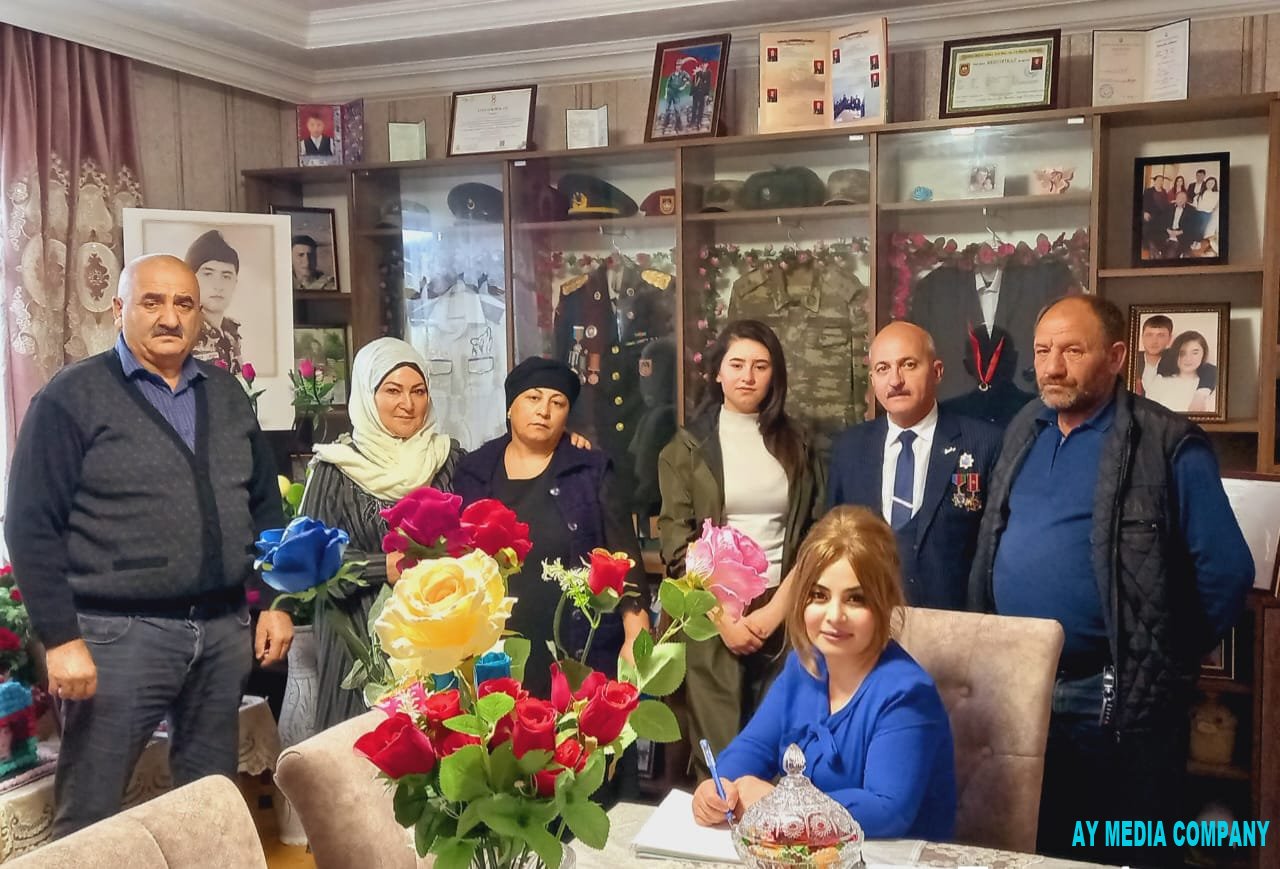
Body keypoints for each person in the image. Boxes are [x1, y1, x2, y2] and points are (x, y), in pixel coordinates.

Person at [4, 254, 292, 837]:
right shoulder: (71, 396)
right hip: (118, 637)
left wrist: (274, 600)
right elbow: (30, 525)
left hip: (222, 632)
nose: (169, 317)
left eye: (184, 304)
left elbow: (265, 506)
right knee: (90, 812)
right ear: (119, 309)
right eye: (151, 302)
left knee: (209, 804)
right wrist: (60, 640)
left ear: (199, 315)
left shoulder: (227, 393)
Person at [967, 295, 1253, 863]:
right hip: (1017, 683)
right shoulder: (1027, 426)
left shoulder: (1166, 442)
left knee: (1112, 846)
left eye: (1073, 351)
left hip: (1106, 693)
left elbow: (1227, 572)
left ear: (1117, 356)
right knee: (1032, 845)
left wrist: (1162, 658)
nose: (1052, 367)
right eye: (1043, 351)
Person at [691, 507, 956, 840]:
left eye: (855, 599)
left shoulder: (907, 694)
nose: (834, 615)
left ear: (886, 602)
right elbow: (752, 748)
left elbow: (889, 811)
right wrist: (718, 789)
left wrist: (781, 807)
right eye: (818, 595)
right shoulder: (802, 666)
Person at [657, 320, 825, 779]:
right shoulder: (687, 447)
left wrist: (776, 612)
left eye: (760, 366)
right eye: (736, 365)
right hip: (710, 612)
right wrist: (723, 618)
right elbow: (678, 544)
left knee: (784, 753)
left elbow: (815, 536)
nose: (747, 376)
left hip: (784, 605)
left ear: (775, 375)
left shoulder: (800, 443)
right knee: (722, 758)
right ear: (717, 372)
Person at [453, 357, 651, 700]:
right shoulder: (473, 471)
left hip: (579, 648)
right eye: (533, 398)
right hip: (493, 651)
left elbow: (624, 558)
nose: (543, 411)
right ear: (510, 406)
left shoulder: (590, 471)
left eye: (557, 403)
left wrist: (636, 636)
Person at [299, 338, 465, 730]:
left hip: (435, 635)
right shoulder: (336, 467)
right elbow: (309, 557)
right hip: (356, 638)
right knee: (356, 749)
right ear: (367, 394)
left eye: (418, 391)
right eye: (392, 391)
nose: (407, 403)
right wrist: (381, 567)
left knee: (436, 744)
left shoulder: (449, 458)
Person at [828, 322, 1001, 610]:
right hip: (866, 617)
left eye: (908, 365)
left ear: (937, 371)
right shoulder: (849, 448)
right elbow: (832, 541)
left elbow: (995, 549)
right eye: (883, 369)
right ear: (872, 379)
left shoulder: (983, 443)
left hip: (953, 621)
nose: (895, 380)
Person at [187, 229, 244, 374]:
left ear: (235, 283)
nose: (218, 286)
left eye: (226, 276)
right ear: (189, 279)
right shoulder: (183, 333)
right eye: (208, 274)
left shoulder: (231, 333)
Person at [1147, 330, 1217, 414]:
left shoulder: (1211, 386)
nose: (1188, 358)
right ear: (1175, 354)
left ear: (1203, 354)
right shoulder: (1159, 382)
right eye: (1182, 353)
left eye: (1195, 353)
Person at [1134, 314, 1173, 396]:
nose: (1154, 341)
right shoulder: (1132, 359)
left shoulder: (1176, 361)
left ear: (1169, 338)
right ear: (1142, 337)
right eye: (1149, 335)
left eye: (1160, 335)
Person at [1160, 189, 1204, 258]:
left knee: (1170, 255)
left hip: (1181, 235)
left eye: (1183, 198)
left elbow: (1193, 225)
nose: (1180, 200)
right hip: (1168, 233)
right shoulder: (1169, 207)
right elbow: (1162, 220)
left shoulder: (1191, 210)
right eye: (1179, 197)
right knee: (1155, 249)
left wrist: (1180, 232)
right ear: (1176, 198)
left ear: (1186, 200)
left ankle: (1181, 252)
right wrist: (1167, 230)